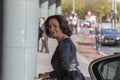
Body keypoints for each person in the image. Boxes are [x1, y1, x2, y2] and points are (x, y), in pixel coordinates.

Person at [39, 15, 85, 80]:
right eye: (50, 26)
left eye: (55, 26)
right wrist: (48, 74)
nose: (51, 29)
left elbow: (65, 69)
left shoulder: (64, 44)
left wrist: (49, 74)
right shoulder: (65, 42)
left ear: (62, 26)